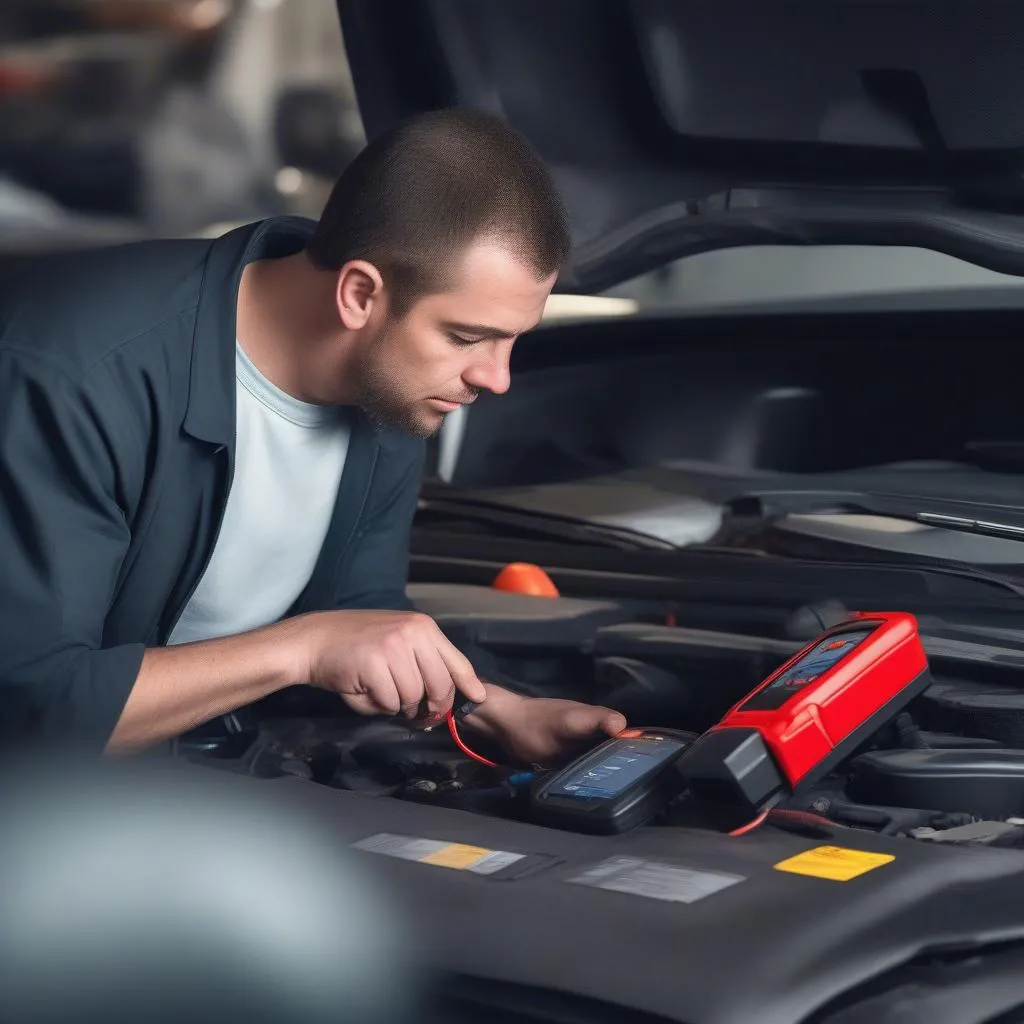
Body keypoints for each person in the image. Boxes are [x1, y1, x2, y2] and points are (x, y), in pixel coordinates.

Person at [0, 108, 626, 764]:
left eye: (511, 340)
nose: (495, 378)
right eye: (467, 337)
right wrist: (304, 648)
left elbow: (363, 620)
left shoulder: (390, 385)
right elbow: (34, 707)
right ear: (359, 294)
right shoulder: (71, 377)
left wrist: (498, 711)